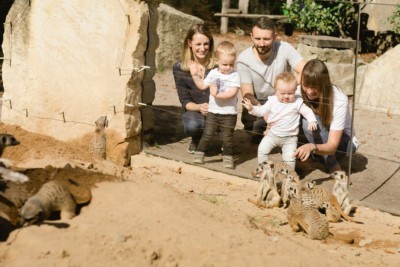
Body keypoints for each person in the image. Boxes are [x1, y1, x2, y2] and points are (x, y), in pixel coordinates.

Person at [236, 16, 306, 142]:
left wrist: (289, 88)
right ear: (251, 36)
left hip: (284, 98)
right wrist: (265, 111)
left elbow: (306, 70)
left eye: (266, 39)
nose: (261, 44)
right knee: (254, 130)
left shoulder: (284, 48)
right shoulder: (243, 59)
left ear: (275, 36)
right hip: (259, 101)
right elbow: (247, 94)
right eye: (257, 38)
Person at [242, 72, 317, 173]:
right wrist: (252, 108)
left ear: (295, 91)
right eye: (282, 93)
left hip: (290, 139)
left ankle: (288, 175)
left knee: (289, 159)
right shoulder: (272, 101)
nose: (286, 96)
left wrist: (312, 120)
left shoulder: (297, 102)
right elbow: (262, 111)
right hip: (272, 135)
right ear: (276, 91)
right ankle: (263, 170)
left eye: (290, 93)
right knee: (262, 150)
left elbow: (307, 111)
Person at [294, 59, 359, 173]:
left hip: (343, 144)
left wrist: (312, 147)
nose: (309, 91)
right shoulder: (300, 91)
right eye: (305, 85)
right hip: (319, 137)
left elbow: (333, 145)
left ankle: (331, 163)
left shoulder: (338, 98)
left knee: (307, 122)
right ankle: (315, 156)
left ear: (324, 84)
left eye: (314, 87)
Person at [189, 41, 240, 169]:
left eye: (231, 64)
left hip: (229, 113)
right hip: (213, 111)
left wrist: (216, 94)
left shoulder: (235, 75)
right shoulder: (213, 73)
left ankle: (227, 156)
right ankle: (200, 152)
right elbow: (202, 85)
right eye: (224, 64)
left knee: (227, 137)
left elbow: (232, 93)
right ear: (217, 61)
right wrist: (194, 75)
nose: (228, 67)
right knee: (208, 134)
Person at [173, 24, 215, 154]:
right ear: (190, 43)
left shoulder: (218, 66)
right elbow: (185, 101)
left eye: (206, 44)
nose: (202, 49)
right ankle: (196, 139)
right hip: (195, 110)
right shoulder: (179, 68)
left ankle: (215, 138)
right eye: (198, 44)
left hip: (217, 109)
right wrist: (200, 107)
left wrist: (214, 107)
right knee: (193, 124)